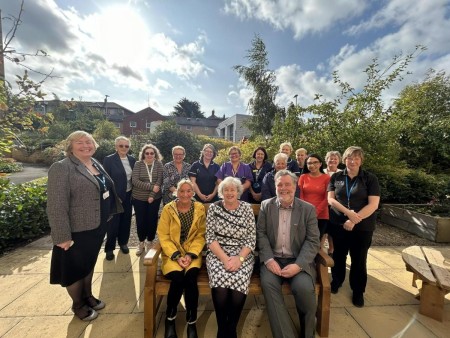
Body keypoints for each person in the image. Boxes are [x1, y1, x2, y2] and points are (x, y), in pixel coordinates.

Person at [47, 131, 123, 321]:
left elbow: (103, 190)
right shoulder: (62, 168)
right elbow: (56, 204)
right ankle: (78, 305)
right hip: (76, 230)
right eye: (79, 142)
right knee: (74, 268)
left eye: (89, 142)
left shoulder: (94, 163)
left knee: (88, 264)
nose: (85, 145)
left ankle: (88, 296)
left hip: (96, 226)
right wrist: (62, 235)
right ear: (70, 146)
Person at [257, 170, 320, 338]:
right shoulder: (266, 206)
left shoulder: (307, 209)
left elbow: (313, 240)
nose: (283, 188)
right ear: (275, 187)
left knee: (304, 289)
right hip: (273, 260)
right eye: (279, 185)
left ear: (295, 186)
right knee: (269, 286)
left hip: (297, 260)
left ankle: (308, 334)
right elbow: (260, 234)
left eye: (287, 184)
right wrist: (269, 259)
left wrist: (299, 265)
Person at [327, 146, 380, 307]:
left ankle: (358, 291)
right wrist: (348, 213)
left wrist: (354, 219)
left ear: (361, 160)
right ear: (344, 160)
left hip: (362, 227)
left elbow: (373, 204)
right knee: (338, 255)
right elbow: (331, 199)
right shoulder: (336, 177)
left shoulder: (370, 178)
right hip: (338, 224)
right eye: (349, 158)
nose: (353, 161)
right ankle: (337, 281)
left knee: (359, 259)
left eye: (356, 158)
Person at [206, 177, 256, 338]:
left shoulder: (247, 208)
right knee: (220, 283)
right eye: (226, 189)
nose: (229, 192)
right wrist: (224, 259)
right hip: (218, 253)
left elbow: (251, 239)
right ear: (221, 192)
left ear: (238, 191)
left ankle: (232, 327)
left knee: (239, 280)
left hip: (242, 254)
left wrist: (239, 259)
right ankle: (222, 327)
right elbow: (210, 238)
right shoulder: (214, 208)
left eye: (232, 189)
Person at [157, 179, 206, 338]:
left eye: (188, 191)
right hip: (173, 254)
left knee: (190, 278)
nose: (185, 194)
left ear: (192, 193)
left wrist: (191, 254)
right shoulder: (168, 209)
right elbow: (163, 236)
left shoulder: (199, 208)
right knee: (178, 278)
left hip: (192, 253)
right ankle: (170, 319)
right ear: (176, 193)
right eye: (181, 191)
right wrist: (177, 256)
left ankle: (191, 321)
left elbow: (201, 235)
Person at [102, 136, 136, 261]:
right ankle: (109, 248)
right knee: (113, 223)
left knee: (126, 221)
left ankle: (123, 243)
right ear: (116, 146)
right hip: (115, 197)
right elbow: (106, 180)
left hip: (128, 195)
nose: (124, 148)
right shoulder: (109, 160)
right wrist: (114, 197)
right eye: (121, 145)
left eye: (126, 146)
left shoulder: (132, 160)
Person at [132, 144, 164, 256]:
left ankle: (150, 241)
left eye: (152, 153)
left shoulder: (159, 164)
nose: (149, 155)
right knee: (140, 220)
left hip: (155, 197)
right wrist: (151, 187)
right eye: (147, 153)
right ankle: (141, 242)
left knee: (152, 219)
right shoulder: (138, 164)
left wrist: (151, 195)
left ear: (155, 154)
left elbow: (159, 181)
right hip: (139, 197)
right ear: (143, 154)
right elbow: (135, 181)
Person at [299, 154, 331, 249]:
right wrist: (307, 212)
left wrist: (315, 212)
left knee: (315, 243)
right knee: (302, 241)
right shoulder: (303, 177)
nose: (312, 165)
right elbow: (300, 196)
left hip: (321, 215)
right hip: (304, 214)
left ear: (320, 164)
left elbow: (327, 198)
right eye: (309, 163)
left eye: (315, 162)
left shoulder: (327, 178)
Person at [323, 150, 342, 257]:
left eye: (335, 158)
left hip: (336, 205)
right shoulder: (321, 171)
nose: (333, 160)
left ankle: (331, 249)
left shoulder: (342, 173)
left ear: (339, 161)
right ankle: (320, 249)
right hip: (322, 203)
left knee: (332, 228)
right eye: (331, 158)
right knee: (323, 228)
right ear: (326, 160)